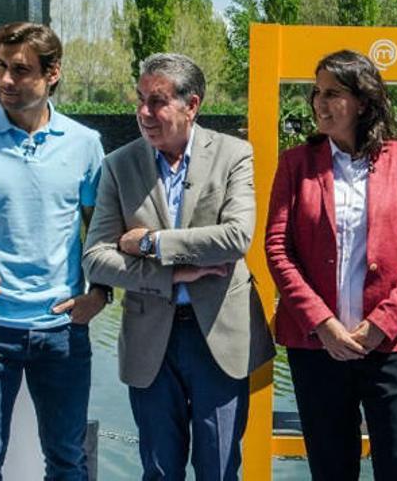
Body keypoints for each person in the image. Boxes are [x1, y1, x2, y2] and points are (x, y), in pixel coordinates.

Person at [82, 52, 275, 481]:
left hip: (220, 337)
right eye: (140, 99)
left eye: (157, 101)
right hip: (151, 338)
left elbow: (236, 237)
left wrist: (151, 243)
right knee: (159, 470)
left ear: (192, 105)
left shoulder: (234, 154)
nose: (143, 113)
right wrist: (170, 274)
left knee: (220, 468)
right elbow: (95, 258)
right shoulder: (118, 165)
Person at [0, 22, 109, 479]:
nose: (6, 81)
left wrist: (100, 294)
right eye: (1, 68)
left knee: (69, 461)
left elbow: (101, 234)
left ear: (52, 74)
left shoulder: (85, 145)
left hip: (63, 329)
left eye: (21, 70)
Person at [265, 50, 397, 480]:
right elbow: (277, 249)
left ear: (363, 102)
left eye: (333, 94)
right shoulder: (295, 163)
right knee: (330, 469)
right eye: (316, 93)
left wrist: (381, 322)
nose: (320, 104)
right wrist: (322, 322)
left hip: (391, 344)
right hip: (316, 347)